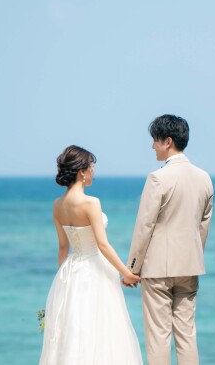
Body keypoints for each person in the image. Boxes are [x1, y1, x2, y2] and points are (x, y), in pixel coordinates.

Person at [39, 145, 143, 365]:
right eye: (92, 167)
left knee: (75, 332)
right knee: (102, 331)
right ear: (82, 171)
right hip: (95, 272)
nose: (94, 171)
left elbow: (62, 248)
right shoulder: (91, 203)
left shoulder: (57, 205)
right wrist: (127, 273)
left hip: (71, 273)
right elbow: (103, 245)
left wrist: (63, 282)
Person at [126, 114, 214, 365]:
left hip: (157, 269)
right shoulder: (204, 178)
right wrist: (193, 255)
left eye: (154, 140)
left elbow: (145, 226)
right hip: (189, 265)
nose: (152, 145)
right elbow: (203, 226)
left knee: (158, 336)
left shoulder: (158, 178)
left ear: (167, 141)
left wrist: (131, 268)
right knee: (187, 334)